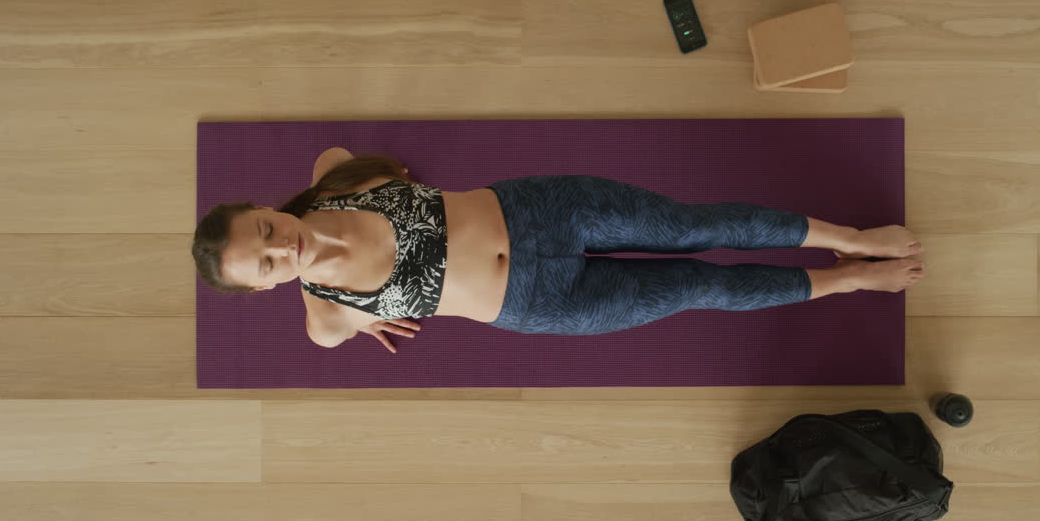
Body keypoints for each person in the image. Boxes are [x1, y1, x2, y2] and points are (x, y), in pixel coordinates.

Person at [192, 148, 925, 353]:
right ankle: (847, 284)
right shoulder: (327, 316)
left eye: (262, 229)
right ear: (263, 288)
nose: (277, 247)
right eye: (263, 265)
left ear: (262, 209)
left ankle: (850, 238)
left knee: (696, 226)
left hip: (542, 211)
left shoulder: (331, 186)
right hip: (540, 304)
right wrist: (369, 316)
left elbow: (334, 151)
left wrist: (335, 203)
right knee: (698, 288)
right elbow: (326, 339)